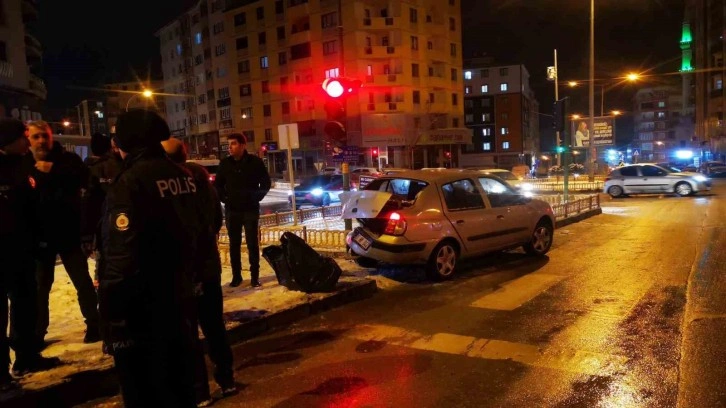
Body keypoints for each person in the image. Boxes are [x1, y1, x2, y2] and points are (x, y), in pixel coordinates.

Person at [99, 109, 203, 407]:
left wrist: (111, 312)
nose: (114, 145)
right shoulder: (183, 175)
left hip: (139, 308)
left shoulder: (130, 182)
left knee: (144, 391)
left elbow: (122, 253)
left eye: (117, 138)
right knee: (180, 385)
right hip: (178, 297)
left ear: (129, 141)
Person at [162, 138, 236, 404]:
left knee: (189, 332)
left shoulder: (167, 185)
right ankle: (226, 379)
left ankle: (199, 390)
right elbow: (217, 218)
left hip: (182, 270)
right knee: (214, 326)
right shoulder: (202, 180)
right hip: (207, 265)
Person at [23, 120, 100, 345]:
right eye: (35, 137)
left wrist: (53, 171)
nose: (41, 141)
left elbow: (86, 182)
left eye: (44, 136)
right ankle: (39, 333)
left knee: (82, 282)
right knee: (40, 289)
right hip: (39, 238)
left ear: (51, 137)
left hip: (68, 233)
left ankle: (94, 324)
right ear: (28, 139)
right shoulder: (24, 163)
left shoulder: (67, 160)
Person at [0, 119, 61, 386]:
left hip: (23, 251)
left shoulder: (21, 165)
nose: (28, 142)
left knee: (26, 305)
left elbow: (32, 205)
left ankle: (26, 356)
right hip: (2, 253)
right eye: (23, 137)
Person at [214, 133, 271, 288]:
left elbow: (265, 183)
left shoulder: (255, 162)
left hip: (250, 210)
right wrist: (224, 198)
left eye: (233, 143)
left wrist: (256, 198)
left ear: (242, 145)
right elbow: (218, 185)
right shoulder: (225, 164)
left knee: (252, 244)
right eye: (229, 144)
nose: (230, 147)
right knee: (234, 244)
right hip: (232, 210)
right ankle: (236, 276)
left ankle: (254, 277)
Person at [85, 133, 123, 287]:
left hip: (102, 225)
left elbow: (88, 202)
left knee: (103, 258)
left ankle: (101, 282)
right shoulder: (120, 165)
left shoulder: (90, 169)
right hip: (116, 223)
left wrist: (86, 235)